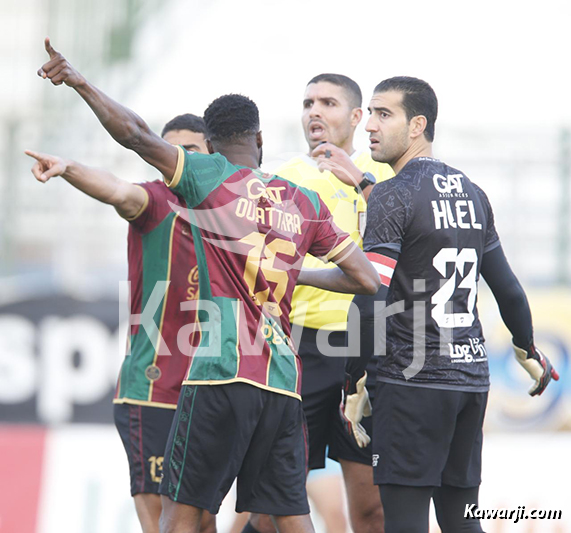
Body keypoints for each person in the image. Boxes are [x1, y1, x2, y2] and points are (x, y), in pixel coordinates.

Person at [36, 38, 381, 533]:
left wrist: (80, 81)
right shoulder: (302, 200)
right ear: (259, 141)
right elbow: (365, 279)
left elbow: (134, 133)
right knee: (289, 515)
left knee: (184, 513)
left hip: (220, 371)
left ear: (212, 147)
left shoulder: (207, 177)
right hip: (284, 379)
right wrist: (292, 272)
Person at [329, 76, 559, 532]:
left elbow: (372, 290)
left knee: (406, 523)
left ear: (418, 125)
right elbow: (509, 290)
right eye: (370, 113)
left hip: (412, 383)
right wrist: (527, 350)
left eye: (383, 114)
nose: (370, 125)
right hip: (470, 381)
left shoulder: (395, 193)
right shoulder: (473, 193)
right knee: (461, 521)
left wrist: (354, 381)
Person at [25, 107, 216, 533]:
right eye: (168, 150)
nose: (177, 159)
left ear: (212, 156)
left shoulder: (230, 210)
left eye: (190, 151)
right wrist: (69, 168)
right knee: (167, 524)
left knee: (204, 523)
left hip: (209, 390)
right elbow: (115, 189)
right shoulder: (154, 201)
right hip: (154, 390)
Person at [247, 73, 393, 533]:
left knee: (372, 508)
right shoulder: (282, 178)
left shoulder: (383, 177)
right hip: (300, 348)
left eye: (328, 103)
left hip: (368, 349)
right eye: (308, 102)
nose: (314, 111)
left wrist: (365, 184)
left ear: (356, 117)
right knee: (272, 505)